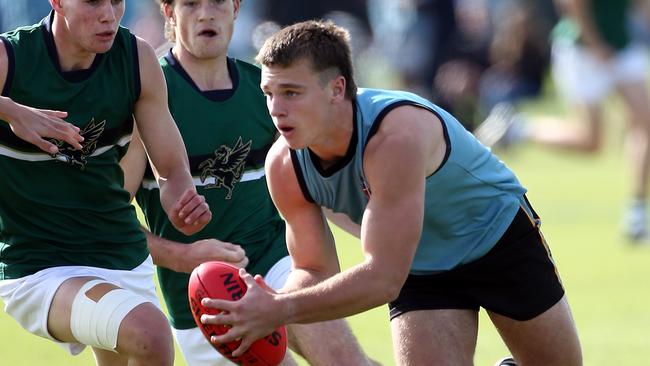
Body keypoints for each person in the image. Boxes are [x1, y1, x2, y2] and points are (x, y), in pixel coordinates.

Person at [199, 20, 584, 366]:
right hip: (418, 266)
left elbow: (382, 278)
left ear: (336, 89)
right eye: (268, 93)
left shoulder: (395, 135)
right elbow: (314, 269)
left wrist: (278, 309)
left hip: (496, 238)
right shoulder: (284, 165)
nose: (276, 109)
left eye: (292, 93)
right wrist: (263, 302)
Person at [120, 1, 377, 365]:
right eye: (191, 3)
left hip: (278, 263)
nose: (207, 14)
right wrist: (183, 256)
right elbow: (110, 219)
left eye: (218, 2)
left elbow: (318, 188)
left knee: (347, 362)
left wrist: (381, 235)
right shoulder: (147, 100)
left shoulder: (266, 91)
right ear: (168, 11)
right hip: (206, 295)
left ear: (236, 8)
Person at [0, 1, 211, 365]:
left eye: (117, 1)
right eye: (94, 1)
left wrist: (181, 200)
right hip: (39, 264)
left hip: (122, 256)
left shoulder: (136, 59)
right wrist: (11, 111)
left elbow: (172, 172)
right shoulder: (11, 57)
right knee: (151, 334)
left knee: (139, 345)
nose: (109, 15)